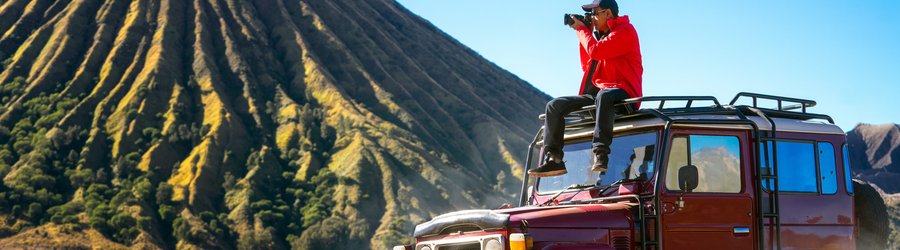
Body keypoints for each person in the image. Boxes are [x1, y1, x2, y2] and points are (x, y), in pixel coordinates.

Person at [528, 0, 643, 177]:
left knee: (604, 96)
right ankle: (554, 160)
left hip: (623, 93)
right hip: (600, 93)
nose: (593, 18)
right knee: (554, 105)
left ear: (608, 13)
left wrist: (582, 30)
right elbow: (587, 65)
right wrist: (586, 32)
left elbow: (596, 51)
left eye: (595, 13)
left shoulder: (625, 31)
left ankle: (601, 153)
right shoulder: (602, 36)